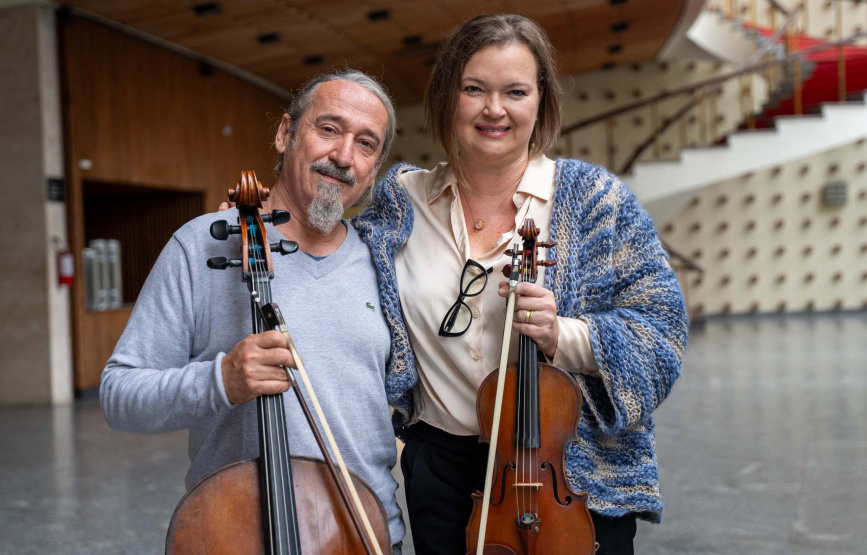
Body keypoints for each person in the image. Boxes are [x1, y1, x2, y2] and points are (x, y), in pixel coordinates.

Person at [353, 14, 689, 555]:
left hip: (570, 473)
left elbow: (663, 336)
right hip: (442, 474)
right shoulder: (400, 202)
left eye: (515, 91)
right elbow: (327, 254)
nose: (495, 109)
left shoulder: (597, 202)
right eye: (474, 89)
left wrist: (564, 335)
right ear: (447, 97)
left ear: (541, 102)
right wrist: (267, 220)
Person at [100, 69, 411, 553]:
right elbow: (119, 394)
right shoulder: (201, 244)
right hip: (237, 534)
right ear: (285, 133)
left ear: (375, 167)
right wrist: (220, 380)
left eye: (366, 143)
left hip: (363, 534)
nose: (343, 156)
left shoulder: (385, 261)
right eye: (328, 129)